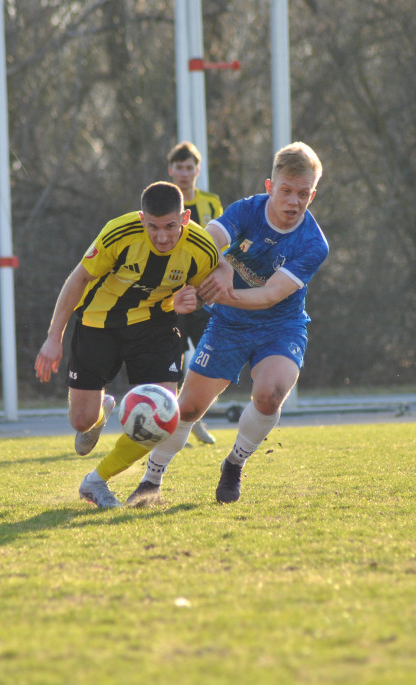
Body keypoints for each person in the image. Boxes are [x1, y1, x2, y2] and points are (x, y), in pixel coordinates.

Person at [126, 141, 328, 506]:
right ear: (270, 187)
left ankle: (234, 463)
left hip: (281, 327)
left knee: (269, 395)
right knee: (187, 408)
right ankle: (151, 480)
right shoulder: (246, 211)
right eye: (286, 191)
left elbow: (269, 294)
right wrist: (200, 271)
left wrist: (217, 293)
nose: (293, 202)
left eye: (303, 194)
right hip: (229, 325)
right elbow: (210, 240)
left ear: (312, 194)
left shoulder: (313, 243)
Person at [34, 181, 219, 508]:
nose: (162, 236)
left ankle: (96, 481)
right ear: (141, 218)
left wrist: (197, 297)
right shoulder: (118, 234)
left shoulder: (202, 248)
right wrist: (54, 337)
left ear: (185, 218)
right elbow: (78, 278)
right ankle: (101, 411)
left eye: (170, 227)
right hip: (98, 323)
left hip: (155, 325)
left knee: (165, 414)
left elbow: (207, 287)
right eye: (153, 227)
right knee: (81, 422)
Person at [167, 141, 224, 446]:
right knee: (171, 362)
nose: (185, 173)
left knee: (209, 356)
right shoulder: (163, 201)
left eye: (190, 167)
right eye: (179, 167)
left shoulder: (211, 203)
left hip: (204, 297)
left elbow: (223, 245)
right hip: (173, 298)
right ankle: (172, 421)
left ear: (197, 170)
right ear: (171, 170)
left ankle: (194, 416)